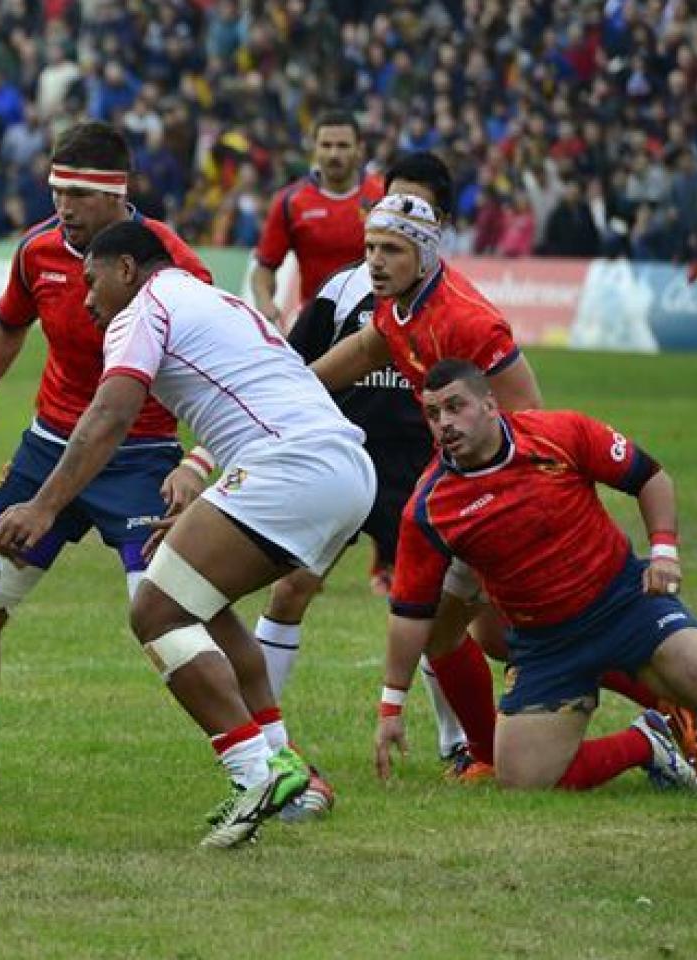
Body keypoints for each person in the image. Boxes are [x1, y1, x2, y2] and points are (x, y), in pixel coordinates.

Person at [0, 122, 321, 816]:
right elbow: (10, 322)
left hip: (140, 457)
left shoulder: (176, 265)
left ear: (116, 198)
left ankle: (286, 772)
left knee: (193, 615)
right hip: (49, 450)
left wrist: (197, 459)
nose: (62, 206)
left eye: (77, 193)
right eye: (55, 190)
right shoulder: (37, 249)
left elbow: (226, 371)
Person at [0, 220, 374, 848]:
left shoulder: (144, 309)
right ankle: (289, 772)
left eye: (92, 281)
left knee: (155, 610)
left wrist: (43, 507)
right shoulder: (209, 297)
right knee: (204, 604)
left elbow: (110, 416)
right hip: (341, 473)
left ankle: (256, 774)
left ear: (126, 270)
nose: (86, 299)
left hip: (293, 468)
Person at [375, 360, 697, 793]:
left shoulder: (558, 433)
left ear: (490, 405)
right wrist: (391, 706)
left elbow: (649, 476)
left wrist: (663, 551)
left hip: (626, 604)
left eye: (455, 407)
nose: (445, 423)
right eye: (434, 414)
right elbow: (411, 612)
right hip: (547, 645)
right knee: (523, 779)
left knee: (693, 670)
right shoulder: (430, 506)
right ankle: (649, 741)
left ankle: (672, 696)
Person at [308, 192, 545, 779]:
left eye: (390, 249)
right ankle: (487, 757)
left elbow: (529, 417)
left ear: (424, 252)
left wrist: (499, 505)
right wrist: (294, 390)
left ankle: (666, 709)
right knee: (451, 632)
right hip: (463, 490)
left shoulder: (468, 319)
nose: (376, 262)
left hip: (505, 495)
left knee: (543, 633)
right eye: (369, 248)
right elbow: (366, 349)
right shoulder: (399, 303)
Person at [244, 152, 470, 764]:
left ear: (436, 226)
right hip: (342, 466)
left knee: (434, 607)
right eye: (388, 203)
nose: (394, 219)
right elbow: (295, 371)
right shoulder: (344, 291)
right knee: (292, 588)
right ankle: (261, 740)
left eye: (413, 210)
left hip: (423, 474)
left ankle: (458, 742)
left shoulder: (459, 307)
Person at [249, 111, 384, 328]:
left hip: (373, 321)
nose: (333, 154)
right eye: (326, 145)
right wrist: (266, 307)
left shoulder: (383, 196)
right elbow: (264, 269)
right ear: (314, 149)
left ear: (359, 149)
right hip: (315, 323)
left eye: (342, 146)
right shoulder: (290, 201)